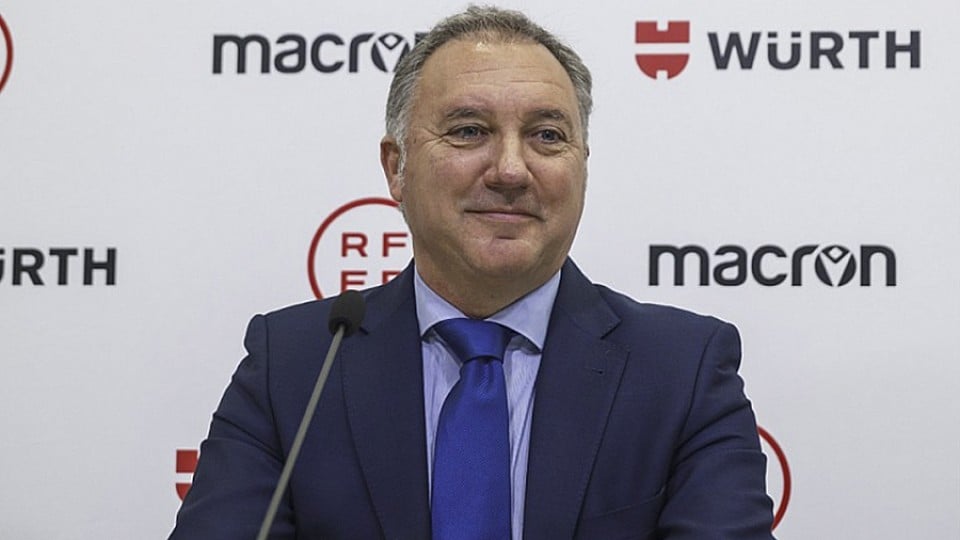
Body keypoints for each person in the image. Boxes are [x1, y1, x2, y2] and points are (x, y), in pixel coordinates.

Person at [170, 6, 776, 539]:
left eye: (546, 135)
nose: (511, 169)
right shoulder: (296, 367)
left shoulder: (683, 370)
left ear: (582, 166)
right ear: (396, 168)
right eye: (469, 131)